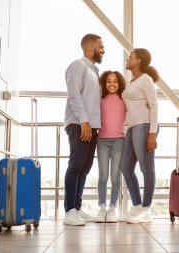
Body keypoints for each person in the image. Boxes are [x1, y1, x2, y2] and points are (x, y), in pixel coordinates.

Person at [63, 33, 105, 226]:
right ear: (90, 48)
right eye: (100, 46)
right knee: (76, 164)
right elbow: (74, 95)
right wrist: (84, 122)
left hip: (92, 126)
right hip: (79, 124)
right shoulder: (77, 66)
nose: (103, 50)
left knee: (85, 167)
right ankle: (69, 210)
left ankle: (77, 208)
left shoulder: (94, 72)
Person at [120, 48, 160, 224]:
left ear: (138, 61)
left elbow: (154, 106)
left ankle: (146, 209)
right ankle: (137, 206)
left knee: (146, 167)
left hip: (144, 126)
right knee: (125, 168)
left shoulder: (146, 79)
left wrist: (152, 133)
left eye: (131, 56)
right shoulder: (133, 81)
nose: (127, 58)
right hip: (132, 128)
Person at [94, 71, 126, 223]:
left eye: (115, 81)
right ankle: (102, 208)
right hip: (102, 141)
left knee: (115, 176)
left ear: (119, 84)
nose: (112, 84)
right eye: (108, 81)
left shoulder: (124, 99)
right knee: (103, 176)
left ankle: (113, 208)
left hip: (119, 141)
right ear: (104, 83)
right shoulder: (100, 99)